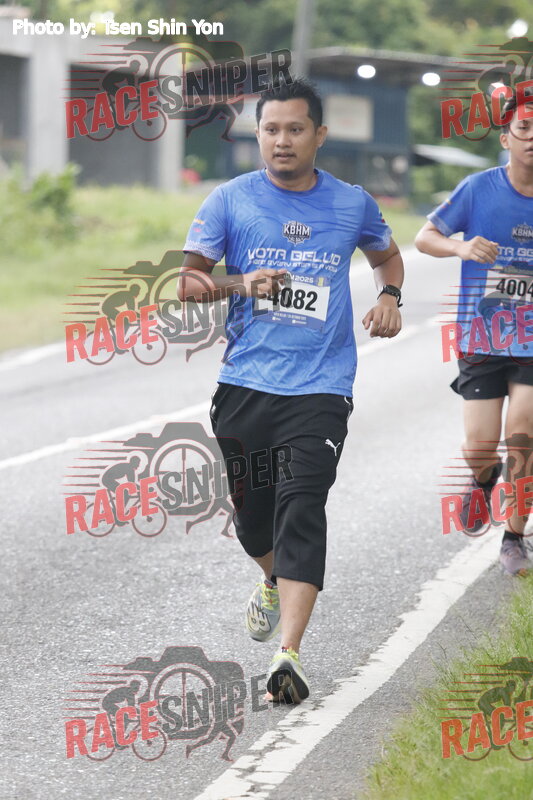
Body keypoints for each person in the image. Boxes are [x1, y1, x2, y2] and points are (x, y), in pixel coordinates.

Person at [179, 78, 404, 703]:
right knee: (254, 520)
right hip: (246, 383)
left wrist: (390, 295)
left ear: (319, 135)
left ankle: (290, 655)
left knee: (302, 506)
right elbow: (188, 284)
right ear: (258, 134)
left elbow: (387, 257)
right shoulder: (230, 200)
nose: (282, 140)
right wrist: (242, 283)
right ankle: (272, 580)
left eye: (295, 129)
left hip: (322, 387)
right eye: (271, 129)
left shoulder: (352, 203)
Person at [415, 88, 533, 575]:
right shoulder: (478, 188)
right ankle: (483, 481)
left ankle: (514, 538)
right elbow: (425, 237)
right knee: (481, 446)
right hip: (482, 337)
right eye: (524, 129)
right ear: (506, 137)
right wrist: (461, 249)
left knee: (523, 436)